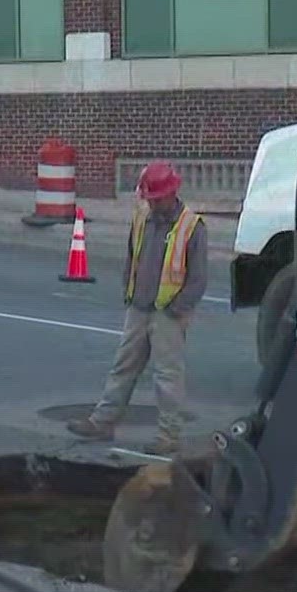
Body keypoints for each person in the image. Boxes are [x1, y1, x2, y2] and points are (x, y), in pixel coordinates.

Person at [66, 161, 206, 456]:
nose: (152, 203)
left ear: (171, 192)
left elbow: (198, 279)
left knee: (167, 377)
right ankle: (102, 422)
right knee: (123, 367)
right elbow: (133, 257)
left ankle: (169, 436)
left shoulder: (192, 227)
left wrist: (176, 308)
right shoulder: (143, 217)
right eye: (149, 198)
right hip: (139, 308)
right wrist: (129, 294)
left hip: (168, 312)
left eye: (156, 198)